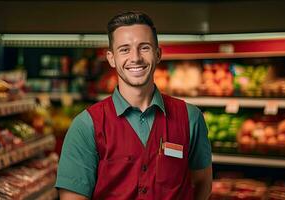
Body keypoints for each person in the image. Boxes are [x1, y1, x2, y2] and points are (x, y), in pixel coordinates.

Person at [55, 11, 212, 200]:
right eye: (124, 49)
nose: (135, 57)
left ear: (158, 53)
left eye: (144, 47)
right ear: (111, 58)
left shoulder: (190, 117)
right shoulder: (86, 126)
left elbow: (202, 182)